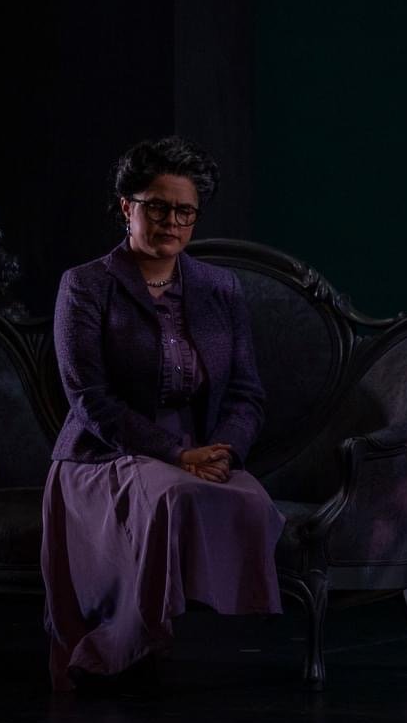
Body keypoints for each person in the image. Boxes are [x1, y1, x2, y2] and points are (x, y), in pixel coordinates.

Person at [42, 136, 282, 690]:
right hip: (103, 453)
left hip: (201, 450)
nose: (171, 221)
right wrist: (177, 454)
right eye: (157, 207)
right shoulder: (85, 285)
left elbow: (246, 393)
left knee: (253, 501)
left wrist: (224, 451)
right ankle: (122, 642)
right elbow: (89, 398)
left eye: (184, 211)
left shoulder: (220, 288)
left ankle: (156, 630)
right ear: (127, 206)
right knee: (172, 496)